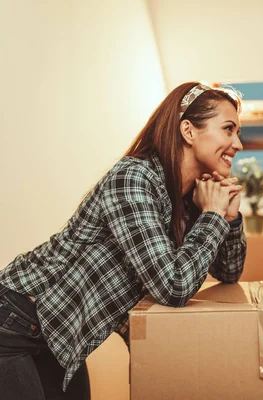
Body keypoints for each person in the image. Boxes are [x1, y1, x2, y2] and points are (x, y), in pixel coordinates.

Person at [0, 82, 247, 399]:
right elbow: (173, 286)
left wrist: (229, 218)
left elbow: (229, 272)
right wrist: (212, 214)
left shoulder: (186, 201)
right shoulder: (134, 177)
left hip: (56, 338)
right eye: (228, 129)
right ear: (188, 131)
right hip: (15, 322)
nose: (238, 144)